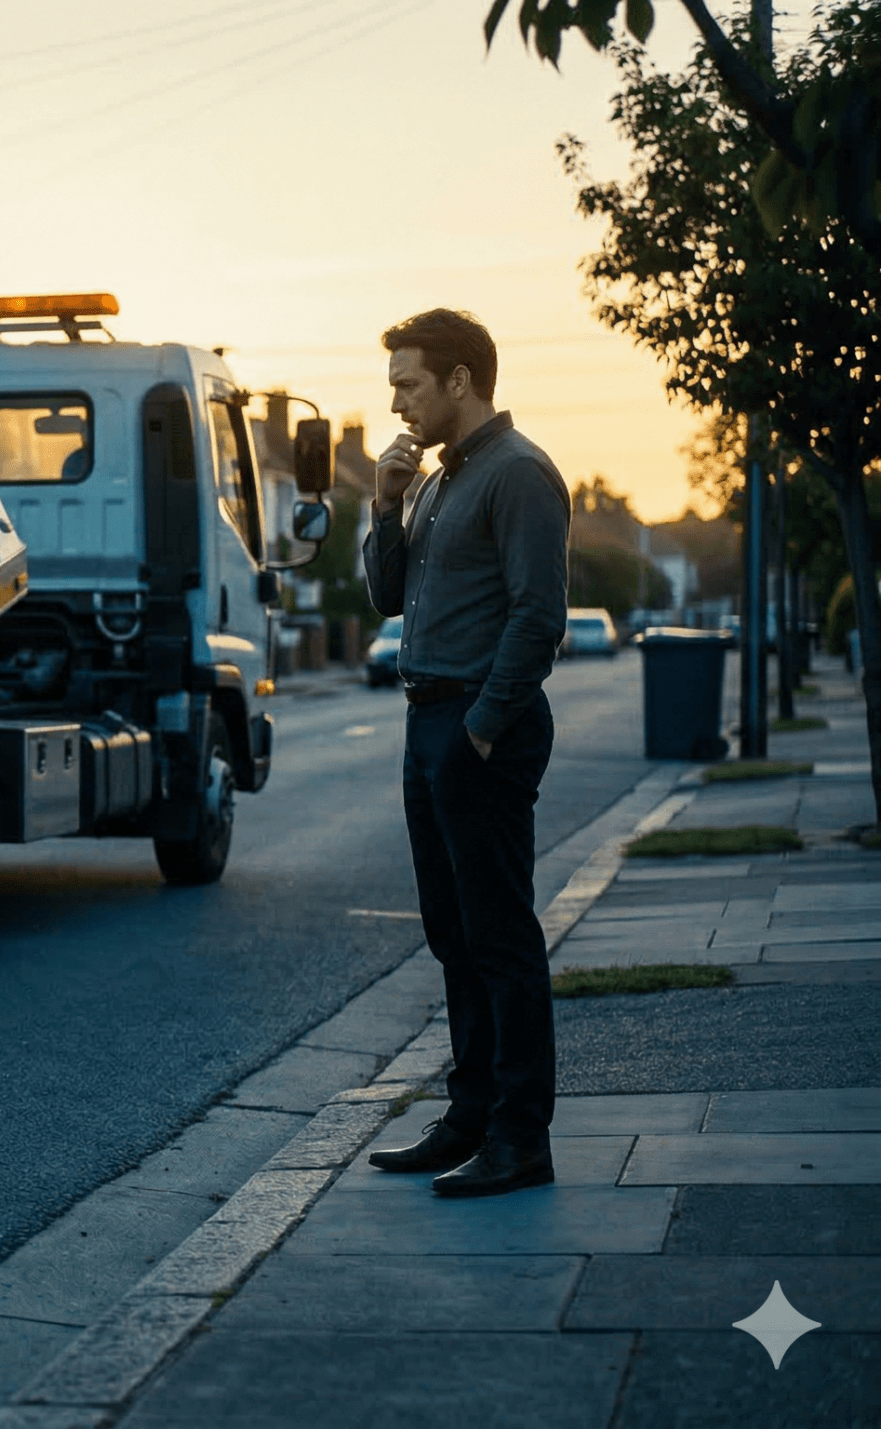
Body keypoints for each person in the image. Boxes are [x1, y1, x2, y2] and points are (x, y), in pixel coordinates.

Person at [360, 309, 571, 1198]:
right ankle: (470, 1115)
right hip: (428, 723)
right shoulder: (436, 481)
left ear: (460, 380)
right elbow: (383, 598)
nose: (398, 400)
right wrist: (382, 505)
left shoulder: (520, 474)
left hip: (480, 727)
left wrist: (482, 727)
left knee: (499, 936)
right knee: (453, 934)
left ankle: (521, 1136)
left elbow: (539, 616)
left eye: (409, 382)